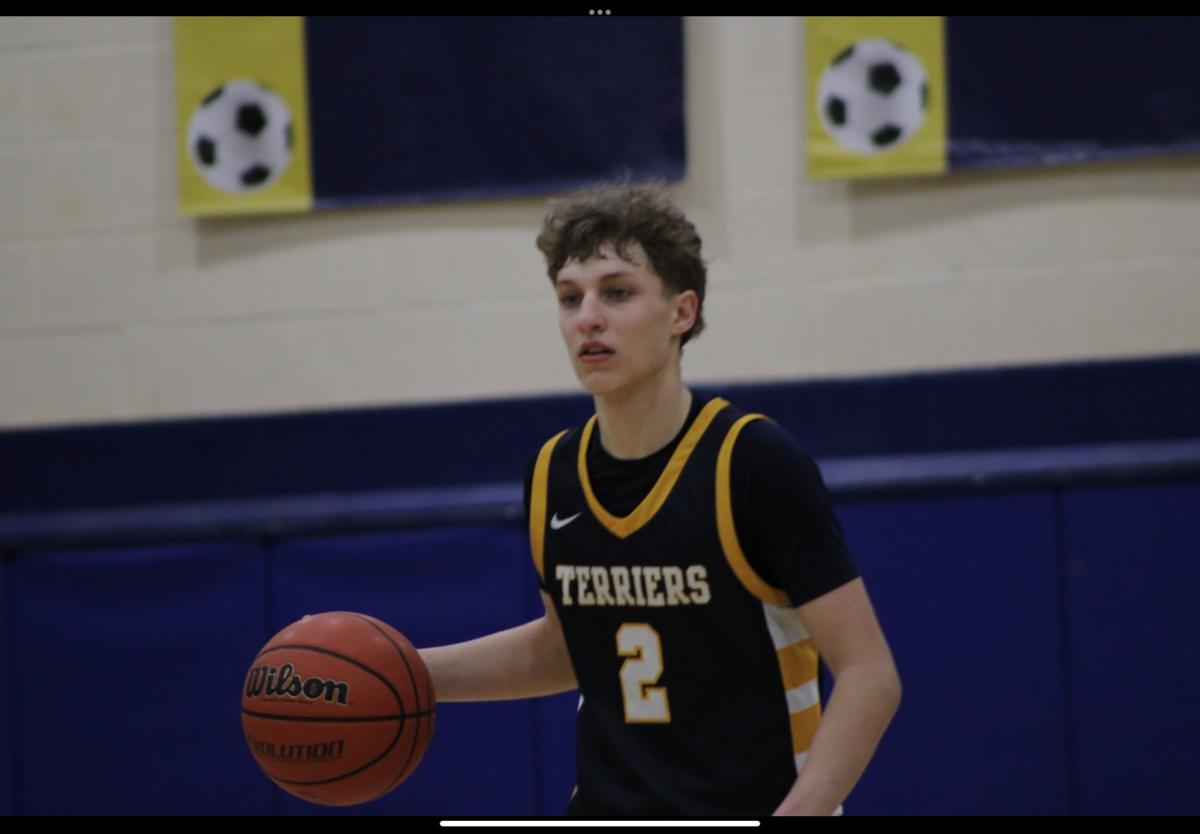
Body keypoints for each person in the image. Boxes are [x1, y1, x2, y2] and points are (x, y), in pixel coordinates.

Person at [418, 182, 900, 817]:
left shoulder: (751, 461)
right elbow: (568, 648)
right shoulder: (554, 472)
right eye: (570, 297)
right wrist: (403, 674)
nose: (588, 317)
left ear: (681, 313)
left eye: (617, 292)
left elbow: (869, 675)